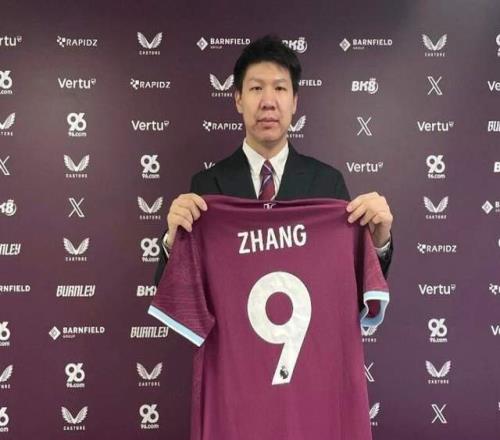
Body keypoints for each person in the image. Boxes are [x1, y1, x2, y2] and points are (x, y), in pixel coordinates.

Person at [154, 34, 393, 286]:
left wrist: (378, 244)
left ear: (294, 101)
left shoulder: (327, 183)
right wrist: (172, 243)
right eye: (256, 88)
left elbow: (352, 284)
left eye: (279, 88)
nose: (268, 102)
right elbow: (177, 291)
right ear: (238, 99)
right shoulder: (207, 186)